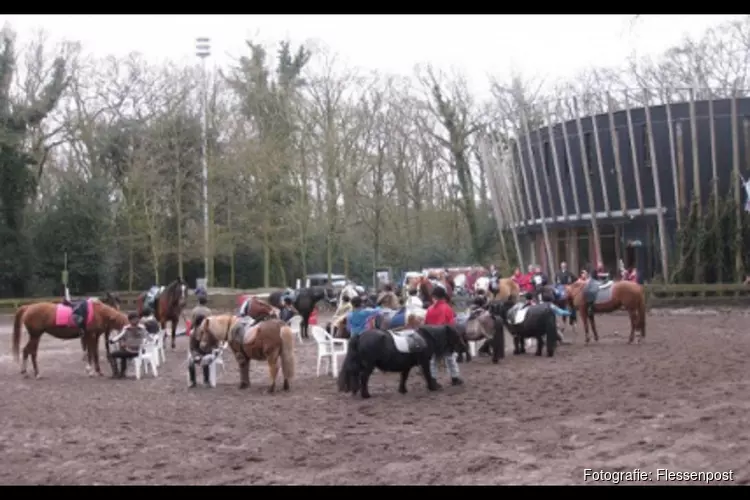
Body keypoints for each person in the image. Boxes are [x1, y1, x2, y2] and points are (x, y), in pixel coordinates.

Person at [425, 286, 462, 387]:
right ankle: (454, 377)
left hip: (433, 337)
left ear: (435, 296)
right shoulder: (447, 308)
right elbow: (451, 325)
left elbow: (426, 324)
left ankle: (433, 379)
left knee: (434, 360)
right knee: (450, 358)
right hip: (444, 337)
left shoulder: (430, 309)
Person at [109, 312, 148, 379]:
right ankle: (122, 373)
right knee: (122, 352)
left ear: (130, 320)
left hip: (132, 351)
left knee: (111, 355)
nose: (136, 320)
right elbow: (145, 340)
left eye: (136, 319)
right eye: (135, 319)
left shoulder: (128, 328)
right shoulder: (142, 328)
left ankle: (116, 373)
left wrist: (112, 341)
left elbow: (119, 337)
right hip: (139, 351)